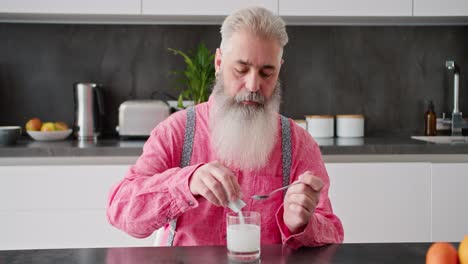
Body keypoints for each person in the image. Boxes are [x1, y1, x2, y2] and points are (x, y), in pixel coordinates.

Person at [107, 6, 344, 249]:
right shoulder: (176, 132)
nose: (253, 85)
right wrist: (186, 183)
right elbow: (121, 211)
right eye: (241, 69)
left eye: (267, 73)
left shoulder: (297, 143)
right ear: (219, 62)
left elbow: (333, 235)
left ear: (279, 69)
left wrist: (302, 224)